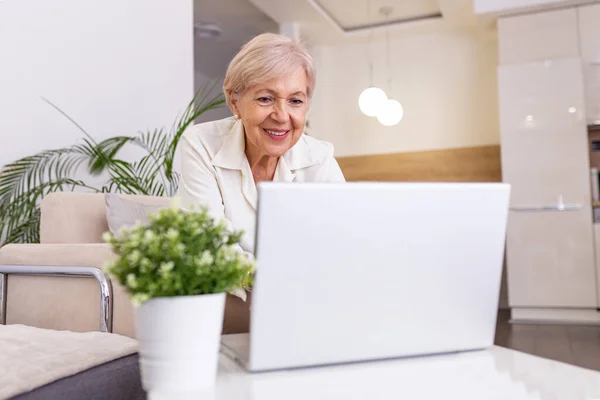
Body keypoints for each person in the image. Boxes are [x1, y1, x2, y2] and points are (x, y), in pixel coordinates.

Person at [177, 32, 345, 333]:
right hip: (216, 312)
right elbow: (210, 242)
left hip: (307, 312)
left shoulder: (319, 158)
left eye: (295, 100)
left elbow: (340, 241)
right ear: (234, 102)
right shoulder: (200, 145)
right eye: (265, 99)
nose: (282, 116)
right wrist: (268, 279)